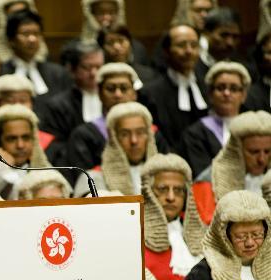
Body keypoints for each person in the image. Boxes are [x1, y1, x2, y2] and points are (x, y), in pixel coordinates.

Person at [65, 62, 167, 185]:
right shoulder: (83, 135)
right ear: (100, 94)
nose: (118, 94)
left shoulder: (152, 132)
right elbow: (83, 181)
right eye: (111, 89)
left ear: (134, 94)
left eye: (124, 88)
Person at [142, 154, 205, 280]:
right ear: (148, 191)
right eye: (163, 189)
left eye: (178, 190)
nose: (171, 197)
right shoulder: (136, 237)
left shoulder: (203, 235)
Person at [192, 111, 271, 224]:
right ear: (236, 149)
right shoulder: (208, 183)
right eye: (254, 152)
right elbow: (203, 230)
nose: (261, 159)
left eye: (267, 151)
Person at [142, 24, 208, 153]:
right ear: (167, 50)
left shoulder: (208, 87)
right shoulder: (150, 93)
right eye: (181, 45)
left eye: (194, 45)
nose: (189, 51)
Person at [181, 61, 251, 177]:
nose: (227, 93)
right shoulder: (195, 133)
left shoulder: (254, 129)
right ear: (210, 94)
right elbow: (201, 175)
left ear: (243, 95)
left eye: (233, 88)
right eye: (220, 88)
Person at [74, 101, 158, 197]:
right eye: (125, 134)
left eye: (140, 132)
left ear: (149, 135)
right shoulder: (92, 179)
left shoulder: (167, 176)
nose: (134, 140)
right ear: (113, 138)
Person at [0, 10, 72, 107]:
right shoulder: (0, 72)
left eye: (36, 33)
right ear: (11, 40)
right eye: (25, 34)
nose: (32, 39)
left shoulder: (58, 73)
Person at [39, 41, 104, 140]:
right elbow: (54, 146)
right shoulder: (57, 106)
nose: (94, 73)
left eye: (98, 67)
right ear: (72, 70)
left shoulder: (114, 99)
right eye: (87, 67)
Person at [79, 0, 149, 65]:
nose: (106, 17)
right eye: (100, 13)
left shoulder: (137, 49)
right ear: (90, 14)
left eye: (112, 12)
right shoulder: (77, 48)